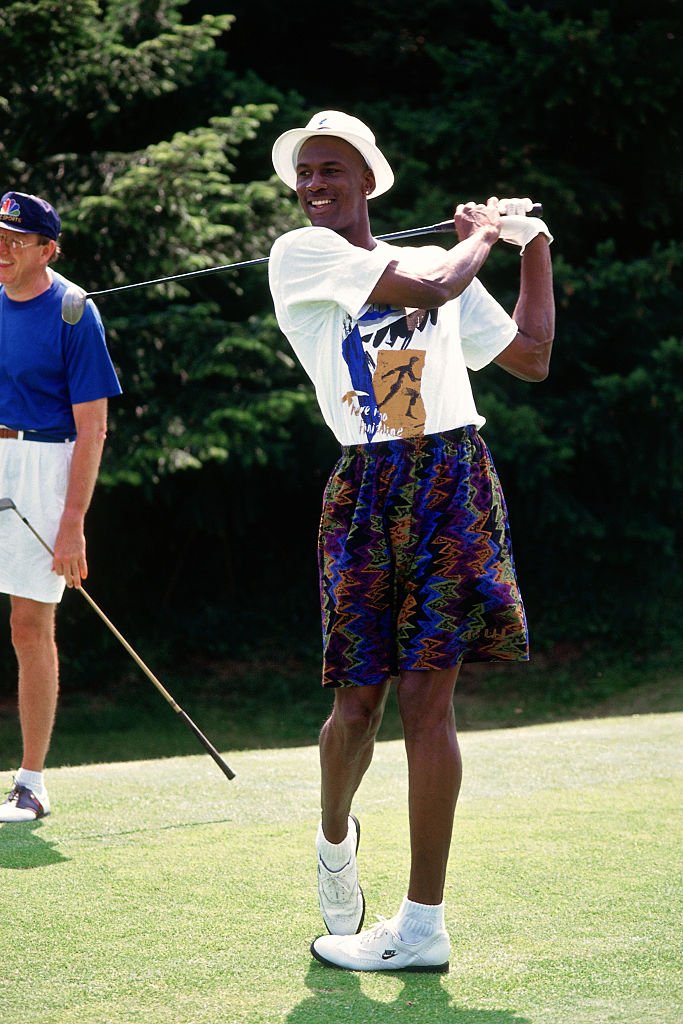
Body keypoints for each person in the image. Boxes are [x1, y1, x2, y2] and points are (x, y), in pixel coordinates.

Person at [268, 111, 555, 973]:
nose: (315, 185)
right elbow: (427, 292)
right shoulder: (300, 255)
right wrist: (479, 238)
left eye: (331, 171)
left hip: (451, 478)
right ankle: (333, 841)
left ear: (367, 179)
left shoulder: (437, 262)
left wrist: (531, 244)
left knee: (430, 706)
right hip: (363, 484)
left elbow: (531, 357)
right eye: (305, 174)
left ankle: (422, 925)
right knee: (355, 708)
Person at [0, 191, 122, 822]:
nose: (2, 249)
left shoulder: (75, 312)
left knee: (29, 625)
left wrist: (73, 524)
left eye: (15, 241)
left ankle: (31, 782)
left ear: (47, 249)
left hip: (44, 466)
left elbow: (93, 426)